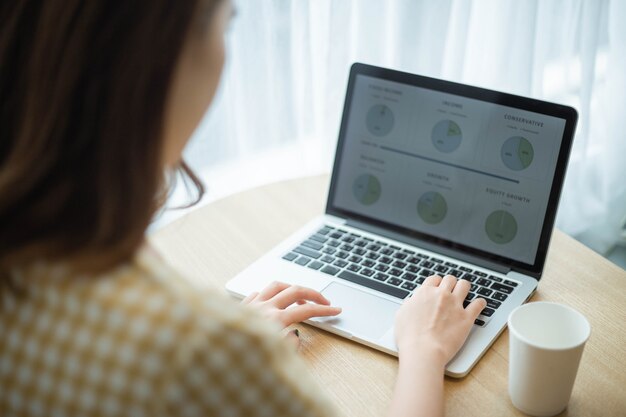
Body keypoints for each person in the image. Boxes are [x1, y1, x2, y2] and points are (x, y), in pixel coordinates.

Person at [0, 1, 487, 416]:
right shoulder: (203, 354)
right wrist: (424, 352)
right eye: (225, 20)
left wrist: (227, 354)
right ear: (160, 59)